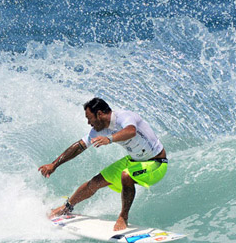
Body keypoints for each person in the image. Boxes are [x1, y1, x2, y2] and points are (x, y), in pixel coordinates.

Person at [38, 97, 168, 231]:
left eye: (89, 118)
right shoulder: (99, 130)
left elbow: (131, 131)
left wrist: (109, 139)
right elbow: (80, 146)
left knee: (126, 175)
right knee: (95, 182)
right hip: (134, 160)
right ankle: (67, 207)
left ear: (99, 114)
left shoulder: (124, 117)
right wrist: (54, 164)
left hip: (156, 162)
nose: (88, 123)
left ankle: (123, 217)